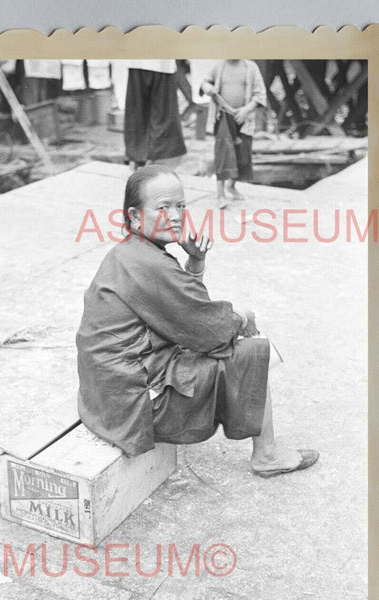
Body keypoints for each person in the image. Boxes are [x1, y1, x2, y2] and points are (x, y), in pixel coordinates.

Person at [76, 165, 318, 478]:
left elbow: (188, 316)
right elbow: (209, 331)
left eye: (180, 206)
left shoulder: (130, 253)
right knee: (252, 350)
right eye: (162, 207)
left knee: (227, 340)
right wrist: (244, 318)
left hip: (104, 397)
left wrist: (195, 263)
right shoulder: (149, 264)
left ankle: (264, 446)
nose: (175, 216)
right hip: (132, 406)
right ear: (135, 216)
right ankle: (267, 455)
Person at [201, 60, 267, 209]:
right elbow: (205, 82)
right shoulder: (218, 65)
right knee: (223, 155)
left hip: (244, 117)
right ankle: (220, 194)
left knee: (243, 157)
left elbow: (260, 94)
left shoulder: (251, 67)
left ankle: (231, 186)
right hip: (223, 115)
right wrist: (208, 88)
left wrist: (246, 110)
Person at [124, 60, 186, 170]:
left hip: (144, 61)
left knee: (137, 110)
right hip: (158, 62)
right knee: (159, 113)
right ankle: (144, 157)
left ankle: (140, 156)